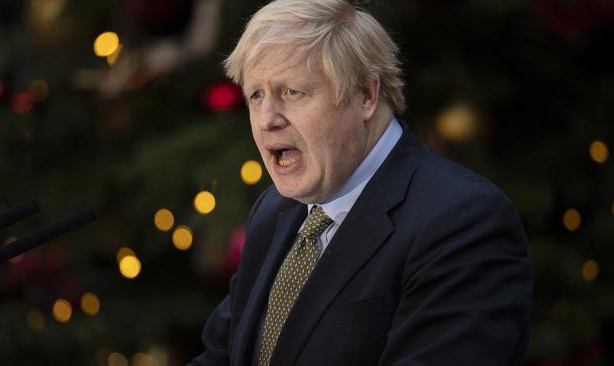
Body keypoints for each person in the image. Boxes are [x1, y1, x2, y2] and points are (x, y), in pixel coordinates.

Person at [190, 0, 533, 365]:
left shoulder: (463, 222)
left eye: (292, 92)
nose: (267, 120)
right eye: (256, 95)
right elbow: (220, 356)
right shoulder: (274, 210)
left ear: (366, 95)